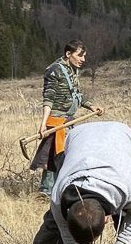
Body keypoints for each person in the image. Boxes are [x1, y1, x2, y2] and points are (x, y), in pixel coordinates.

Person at [31, 40, 103, 195]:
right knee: (54, 155)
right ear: (68, 54)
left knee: (64, 155)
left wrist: (91, 106)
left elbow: (76, 94)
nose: (83, 59)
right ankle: (47, 190)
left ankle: (59, 188)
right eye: (80, 55)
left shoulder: (72, 70)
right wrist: (43, 124)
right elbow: (48, 98)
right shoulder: (54, 70)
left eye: (84, 56)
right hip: (56, 122)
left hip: (68, 121)